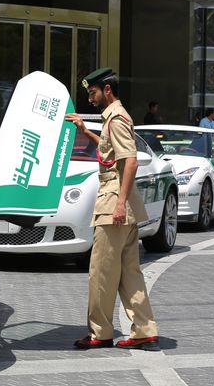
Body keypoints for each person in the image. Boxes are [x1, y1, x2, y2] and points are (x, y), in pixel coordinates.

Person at [65, 68, 160, 351]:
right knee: (130, 273)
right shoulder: (114, 118)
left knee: (101, 272)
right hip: (124, 205)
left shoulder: (116, 118)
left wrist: (118, 204)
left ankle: (100, 333)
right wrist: (85, 131)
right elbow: (111, 154)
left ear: (107, 90)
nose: (90, 99)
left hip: (113, 204)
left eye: (93, 92)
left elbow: (129, 162)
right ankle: (144, 329)